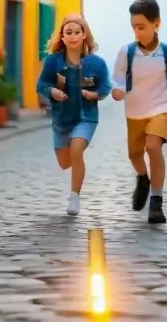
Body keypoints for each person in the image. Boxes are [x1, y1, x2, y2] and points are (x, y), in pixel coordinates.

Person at [110, 0, 167, 224]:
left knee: (153, 147)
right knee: (134, 154)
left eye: (141, 27)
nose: (137, 32)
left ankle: (156, 201)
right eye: (134, 26)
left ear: (157, 24)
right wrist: (117, 91)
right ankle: (143, 178)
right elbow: (117, 79)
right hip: (135, 111)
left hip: (160, 107)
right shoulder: (126, 53)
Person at [36, 13, 111, 216]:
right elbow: (41, 85)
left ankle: (74, 197)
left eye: (77, 32)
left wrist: (94, 94)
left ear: (84, 35)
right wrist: (52, 92)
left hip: (86, 116)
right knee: (64, 162)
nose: (73, 36)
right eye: (68, 32)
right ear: (62, 37)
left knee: (76, 151)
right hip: (61, 119)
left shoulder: (97, 64)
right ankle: (73, 168)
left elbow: (106, 87)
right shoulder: (53, 61)